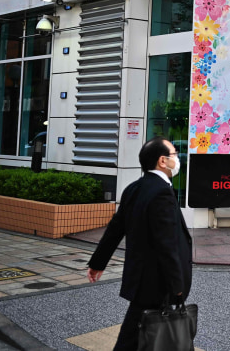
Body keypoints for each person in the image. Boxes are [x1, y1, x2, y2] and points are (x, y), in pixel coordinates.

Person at [87, 137, 192, 350]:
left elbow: (115, 229)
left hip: (141, 278)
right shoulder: (162, 192)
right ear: (162, 161)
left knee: (136, 333)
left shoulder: (134, 187)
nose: (178, 159)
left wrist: (98, 262)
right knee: (137, 337)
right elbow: (166, 243)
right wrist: (177, 285)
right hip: (157, 280)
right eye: (174, 155)